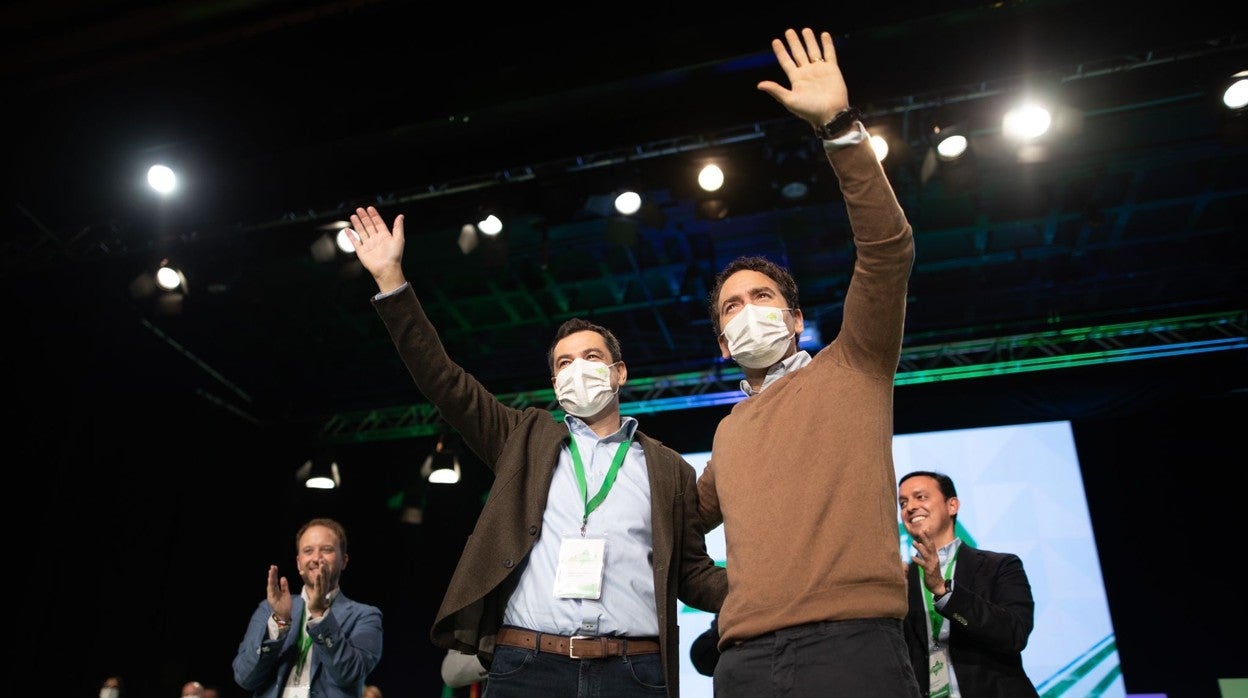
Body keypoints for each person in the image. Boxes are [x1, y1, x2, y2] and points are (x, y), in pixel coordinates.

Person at [346, 205, 728, 698]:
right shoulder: (523, 438)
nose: (577, 369)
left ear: (619, 373)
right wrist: (391, 281)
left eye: (591, 357)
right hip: (528, 667)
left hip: (633, 672)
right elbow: (445, 382)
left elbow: (692, 573)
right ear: (554, 384)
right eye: (564, 363)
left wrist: (775, 587)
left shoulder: (668, 468)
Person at [695, 27, 921, 697]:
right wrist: (733, 593)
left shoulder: (854, 363)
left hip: (852, 647)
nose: (748, 310)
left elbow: (887, 252)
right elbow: (671, 528)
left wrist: (839, 130)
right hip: (743, 662)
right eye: (732, 306)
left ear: (797, 320)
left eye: (763, 297)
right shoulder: (728, 433)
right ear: (723, 343)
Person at [898, 470, 1040, 697]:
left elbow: (1014, 634)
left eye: (920, 497)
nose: (910, 507)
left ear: (952, 506)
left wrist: (944, 592)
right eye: (903, 503)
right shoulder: (902, 580)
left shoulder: (999, 566)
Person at [231, 517, 383, 698]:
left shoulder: (365, 616)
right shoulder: (269, 609)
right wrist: (279, 622)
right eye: (308, 550)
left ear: (344, 560)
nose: (316, 558)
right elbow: (245, 678)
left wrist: (321, 615)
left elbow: (350, 674)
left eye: (326, 550)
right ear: (298, 562)